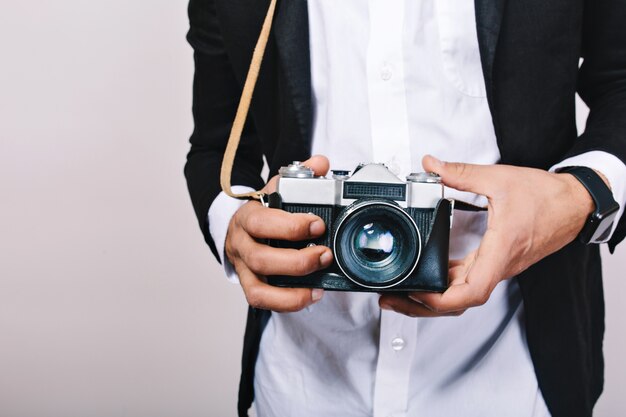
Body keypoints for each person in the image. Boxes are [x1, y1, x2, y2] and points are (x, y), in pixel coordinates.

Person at [184, 0, 626, 416]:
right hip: (301, 378)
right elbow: (217, 147)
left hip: (517, 370)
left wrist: (580, 194)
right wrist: (234, 225)